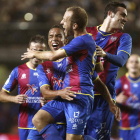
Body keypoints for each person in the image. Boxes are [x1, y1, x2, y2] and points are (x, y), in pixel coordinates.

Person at [21, 6, 120, 140]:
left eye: (64, 19)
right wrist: (93, 60)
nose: (62, 22)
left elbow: (53, 56)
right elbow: (99, 69)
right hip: (64, 98)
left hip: (79, 95)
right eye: (51, 36)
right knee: (38, 119)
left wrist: (34, 53)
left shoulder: (81, 41)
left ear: (74, 25)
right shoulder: (80, 48)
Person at [86, 1, 132, 139]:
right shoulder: (87, 32)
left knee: (99, 137)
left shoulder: (123, 37)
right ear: (110, 14)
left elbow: (122, 60)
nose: (126, 19)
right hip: (83, 95)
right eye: (122, 14)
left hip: (104, 99)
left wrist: (105, 54)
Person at [0, 35, 47, 140]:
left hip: (44, 123)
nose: (36, 54)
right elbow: (1, 95)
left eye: (40, 51)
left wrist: (49, 100)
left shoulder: (50, 71)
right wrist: (13, 98)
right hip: (24, 124)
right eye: (34, 50)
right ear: (28, 50)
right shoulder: (18, 71)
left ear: (45, 52)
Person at [116, 54, 140, 140]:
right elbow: (108, 99)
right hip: (125, 125)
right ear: (127, 65)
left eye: (137, 62)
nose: (134, 64)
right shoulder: (120, 82)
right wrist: (116, 99)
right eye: (131, 62)